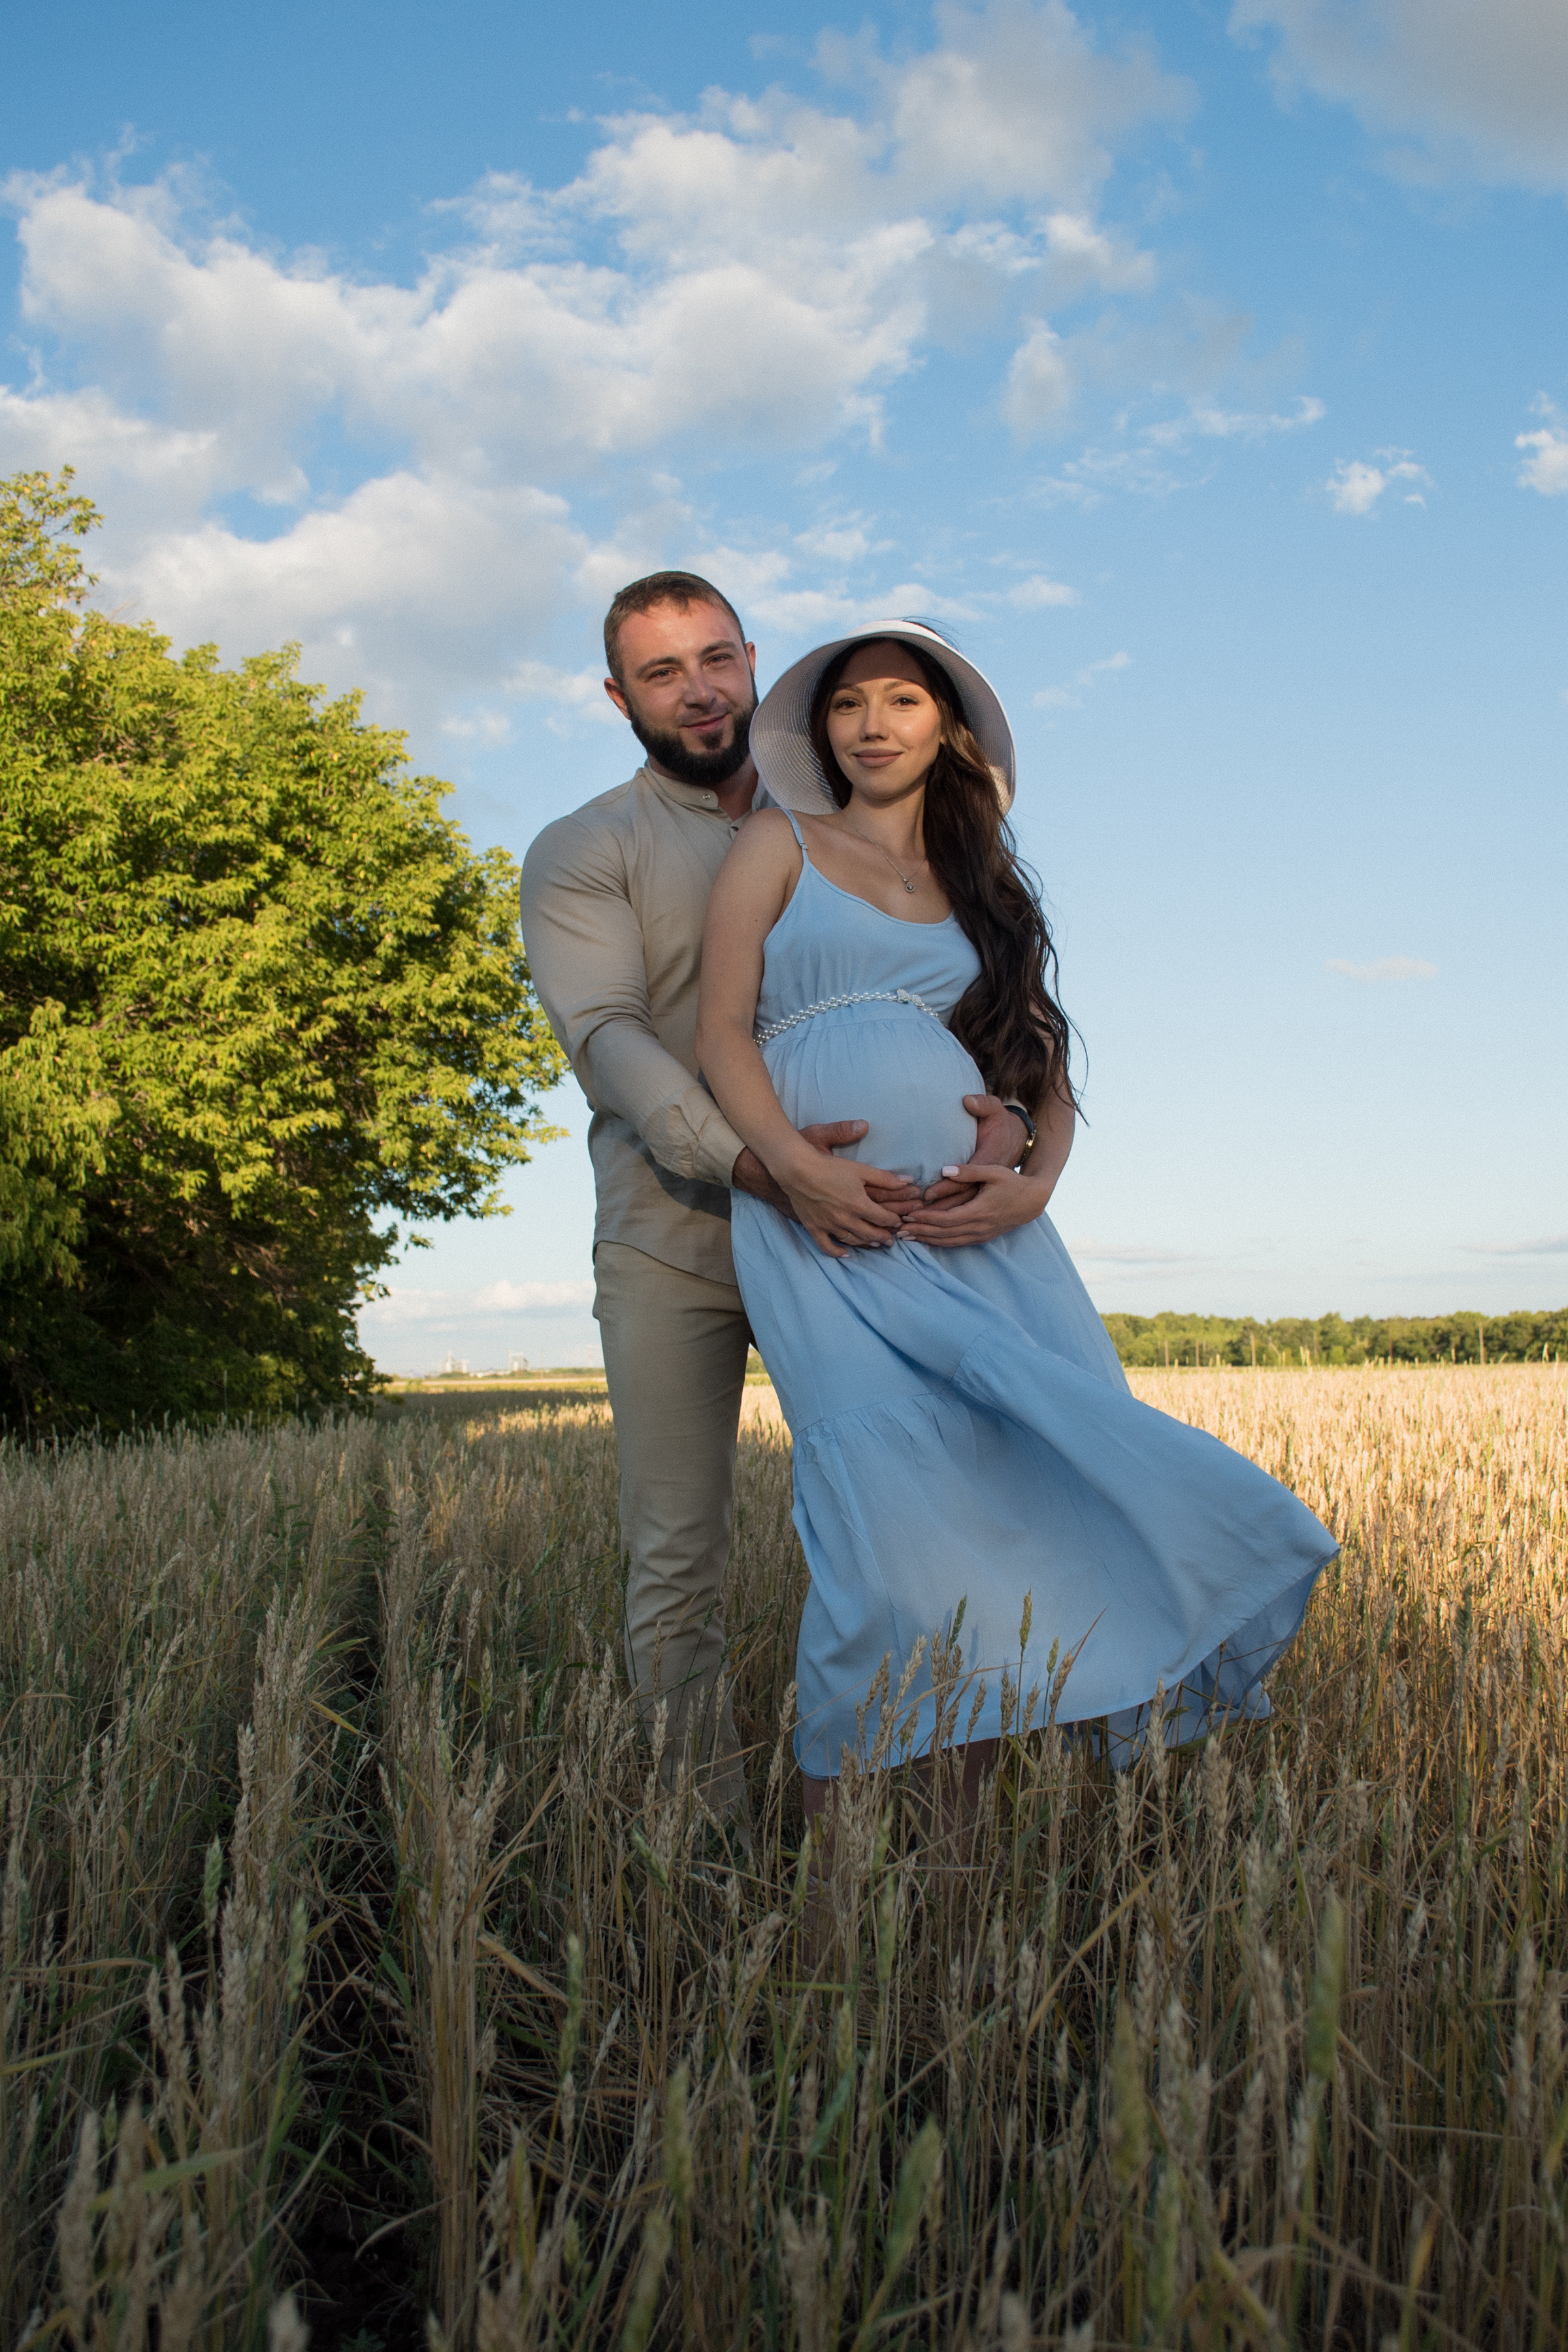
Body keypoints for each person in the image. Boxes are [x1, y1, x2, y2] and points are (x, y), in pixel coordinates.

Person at [695, 619, 1336, 1829]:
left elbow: (1043, 1069)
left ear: (947, 731)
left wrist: (1034, 1179)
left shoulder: (979, 888)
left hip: (976, 1239)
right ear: (821, 734)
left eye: (900, 702)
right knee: (881, 1558)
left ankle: (947, 1910)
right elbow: (722, 1030)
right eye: (847, 706)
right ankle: (840, 1917)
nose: (872, 725)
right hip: (826, 1233)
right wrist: (789, 1167)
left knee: (1009, 1526)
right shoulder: (776, 844)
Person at [518, 580, 1031, 1816]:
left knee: (901, 1525)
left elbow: (976, 1004)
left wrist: (1011, 1127)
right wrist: (767, 1165)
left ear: (752, 663)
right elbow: (608, 1038)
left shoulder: (865, 827)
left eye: (713, 660)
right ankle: (699, 1859)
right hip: (675, 1238)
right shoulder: (585, 850)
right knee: (678, 1556)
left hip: (864, 1240)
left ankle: (898, 1837)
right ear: (617, 697)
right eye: (659, 673)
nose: (696, 690)